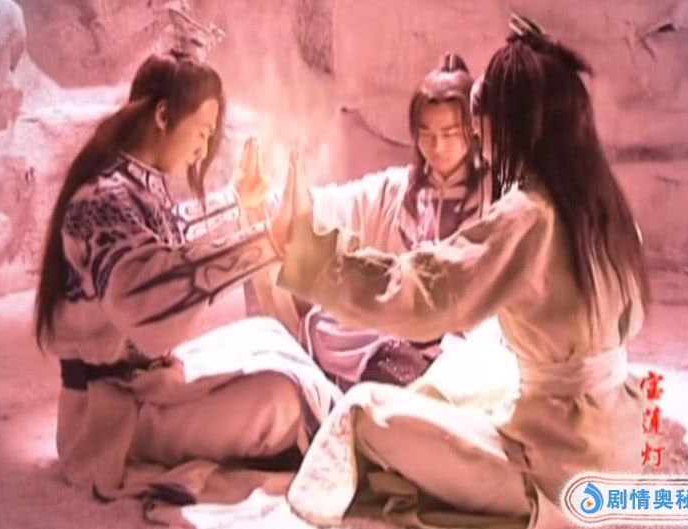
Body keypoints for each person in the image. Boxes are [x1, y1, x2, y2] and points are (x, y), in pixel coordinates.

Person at [273, 14, 650, 528]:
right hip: (621, 438)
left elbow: (422, 294)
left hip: (561, 462)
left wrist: (309, 256)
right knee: (465, 367)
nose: (470, 133)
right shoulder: (607, 208)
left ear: (515, 122)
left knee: (365, 411)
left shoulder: (528, 215)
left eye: (473, 122)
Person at [33, 51, 340, 516]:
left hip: (144, 383)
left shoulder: (128, 185)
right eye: (202, 131)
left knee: (264, 333)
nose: (204, 147)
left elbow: (170, 239)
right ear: (163, 116)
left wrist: (238, 201)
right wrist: (266, 242)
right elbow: (148, 302)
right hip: (111, 416)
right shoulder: (103, 199)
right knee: (279, 401)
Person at [243, 52, 498, 389]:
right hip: (396, 330)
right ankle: (399, 368)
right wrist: (269, 198)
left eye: (450, 133)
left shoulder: (493, 196)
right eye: (427, 133)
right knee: (324, 322)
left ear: (472, 131)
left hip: (459, 339)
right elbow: (335, 205)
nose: (437, 146)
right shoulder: (398, 189)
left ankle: (421, 375)